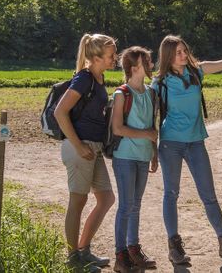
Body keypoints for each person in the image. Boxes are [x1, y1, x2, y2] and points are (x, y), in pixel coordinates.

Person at [152, 35, 222, 264]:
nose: (184, 55)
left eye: (185, 51)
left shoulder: (197, 71)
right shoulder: (160, 83)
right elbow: (148, 116)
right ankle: (175, 248)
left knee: (209, 196)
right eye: (179, 53)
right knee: (171, 194)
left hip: (196, 142)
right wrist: (149, 150)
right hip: (170, 144)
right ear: (168, 57)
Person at [54, 33, 117, 273]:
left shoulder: (99, 78)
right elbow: (61, 112)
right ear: (96, 56)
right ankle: (73, 258)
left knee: (106, 198)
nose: (115, 58)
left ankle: (84, 250)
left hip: (94, 148)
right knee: (77, 201)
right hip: (80, 147)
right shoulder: (84, 78)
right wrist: (79, 145)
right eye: (111, 55)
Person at [110, 46, 160, 271]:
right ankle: (121, 256)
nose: (150, 64)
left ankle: (133, 250)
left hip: (142, 157)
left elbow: (153, 127)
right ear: (134, 67)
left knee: (136, 205)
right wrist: (146, 135)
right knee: (126, 206)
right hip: (125, 157)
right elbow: (118, 128)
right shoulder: (121, 94)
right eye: (146, 61)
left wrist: (154, 153)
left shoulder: (150, 93)